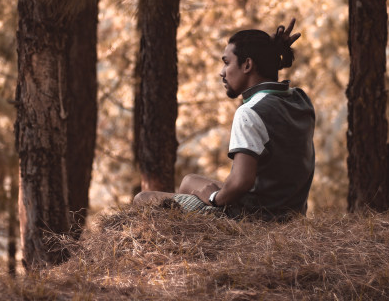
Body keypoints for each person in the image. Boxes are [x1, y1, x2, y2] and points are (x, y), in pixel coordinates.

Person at [133, 19, 315, 222]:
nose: (222, 72)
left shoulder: (250, 112)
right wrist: (269, 52)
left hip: (255, 219)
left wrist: (213, 198)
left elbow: (241, 182)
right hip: (287, 211)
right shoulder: (300, 100)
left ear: (247, 65)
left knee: (144, 198)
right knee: (189, 181)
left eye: (227, 63)